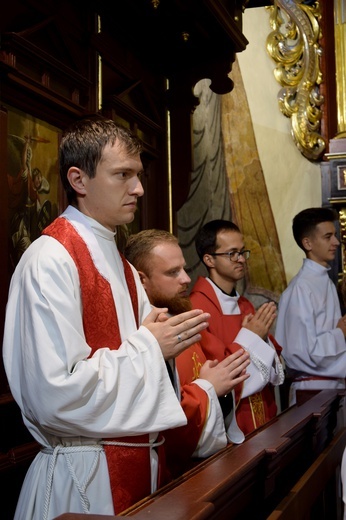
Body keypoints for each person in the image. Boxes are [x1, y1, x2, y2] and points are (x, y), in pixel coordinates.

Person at [2, 117, 211, 520]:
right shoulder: (50, 260)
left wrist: (162, 348)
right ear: (79, 180)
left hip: (140, 465)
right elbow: (54, 393)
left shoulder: (124, 266)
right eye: (123, 175)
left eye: (139, 175)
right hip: (86, 476)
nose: (139, 189)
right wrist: (151, 346)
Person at [124, 229, 251, 477]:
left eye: (183, 268)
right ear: (141, 280)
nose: (186, 279)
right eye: (173, 272)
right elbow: (166, 425)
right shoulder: (140, 334)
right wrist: (208, 387)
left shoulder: (179, 318)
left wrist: (216, 388)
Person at [190, 219, 284, 437]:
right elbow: (215, 372)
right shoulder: (197, 308)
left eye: (243, 252)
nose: (241, 259)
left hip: (261, 418)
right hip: (231, 423)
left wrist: (263, 339)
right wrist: (252, 337)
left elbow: (272, 366)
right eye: (232, 253)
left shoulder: (244, 305)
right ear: (209, 259)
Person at [275, 207, 346, 407]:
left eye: (335, 235)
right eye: (328, 236)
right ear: (308, 243)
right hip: (312, 392)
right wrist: (340, 333)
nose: (336, 242)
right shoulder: (301, 289)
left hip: (331, 387)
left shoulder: (325, 282)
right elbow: (299, 352)